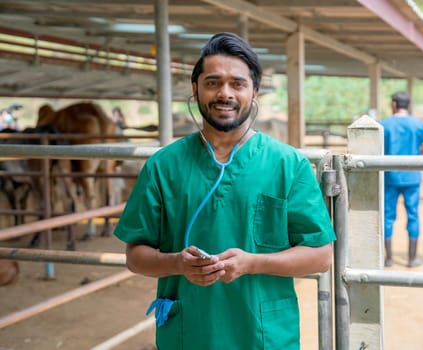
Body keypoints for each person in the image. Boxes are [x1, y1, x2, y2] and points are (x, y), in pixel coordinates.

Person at [114, 32, 335, 350]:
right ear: (196, 89)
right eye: (213, 82)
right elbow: (135, 256)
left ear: (254, 91)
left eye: (238, 84)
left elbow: (320, 255)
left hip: (263, 334)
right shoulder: (164, 166)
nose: (224, 93)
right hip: (188, 331)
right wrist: (178, 263)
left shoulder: (288, 165)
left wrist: (252, 263)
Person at [380, 91, 423, 267]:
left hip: (390, 177)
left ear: (394, 104)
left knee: (387, 216)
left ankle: (388, 258)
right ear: (408, 105)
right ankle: (412, 258)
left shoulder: (384, 124)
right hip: (412, 177)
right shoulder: (418, 124)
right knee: (413, 215)